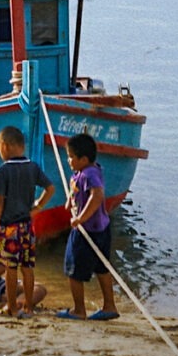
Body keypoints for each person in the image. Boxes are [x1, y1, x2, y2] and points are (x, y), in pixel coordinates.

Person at [0, 126, 55, 318]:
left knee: (10, 268)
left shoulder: (4, 170)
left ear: (6, 146)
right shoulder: (33, 167)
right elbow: (50, 188)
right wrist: (38, 207)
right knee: (27, 267)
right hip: (27, 226)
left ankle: (12, 307)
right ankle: (29, 307)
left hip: (9, 227)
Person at [56, 132, 119, 321]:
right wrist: (70, 201)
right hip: (101, 230)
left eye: (71, 156)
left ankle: (79, 310)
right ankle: (109, 305)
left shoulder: (90, 173)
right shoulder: (82, 172)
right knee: (101, 267)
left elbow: (97, 195)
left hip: (87, 231)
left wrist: (80, 218)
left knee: (73, 269)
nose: (68, 160)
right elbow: (77, 189)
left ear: (83, 159)